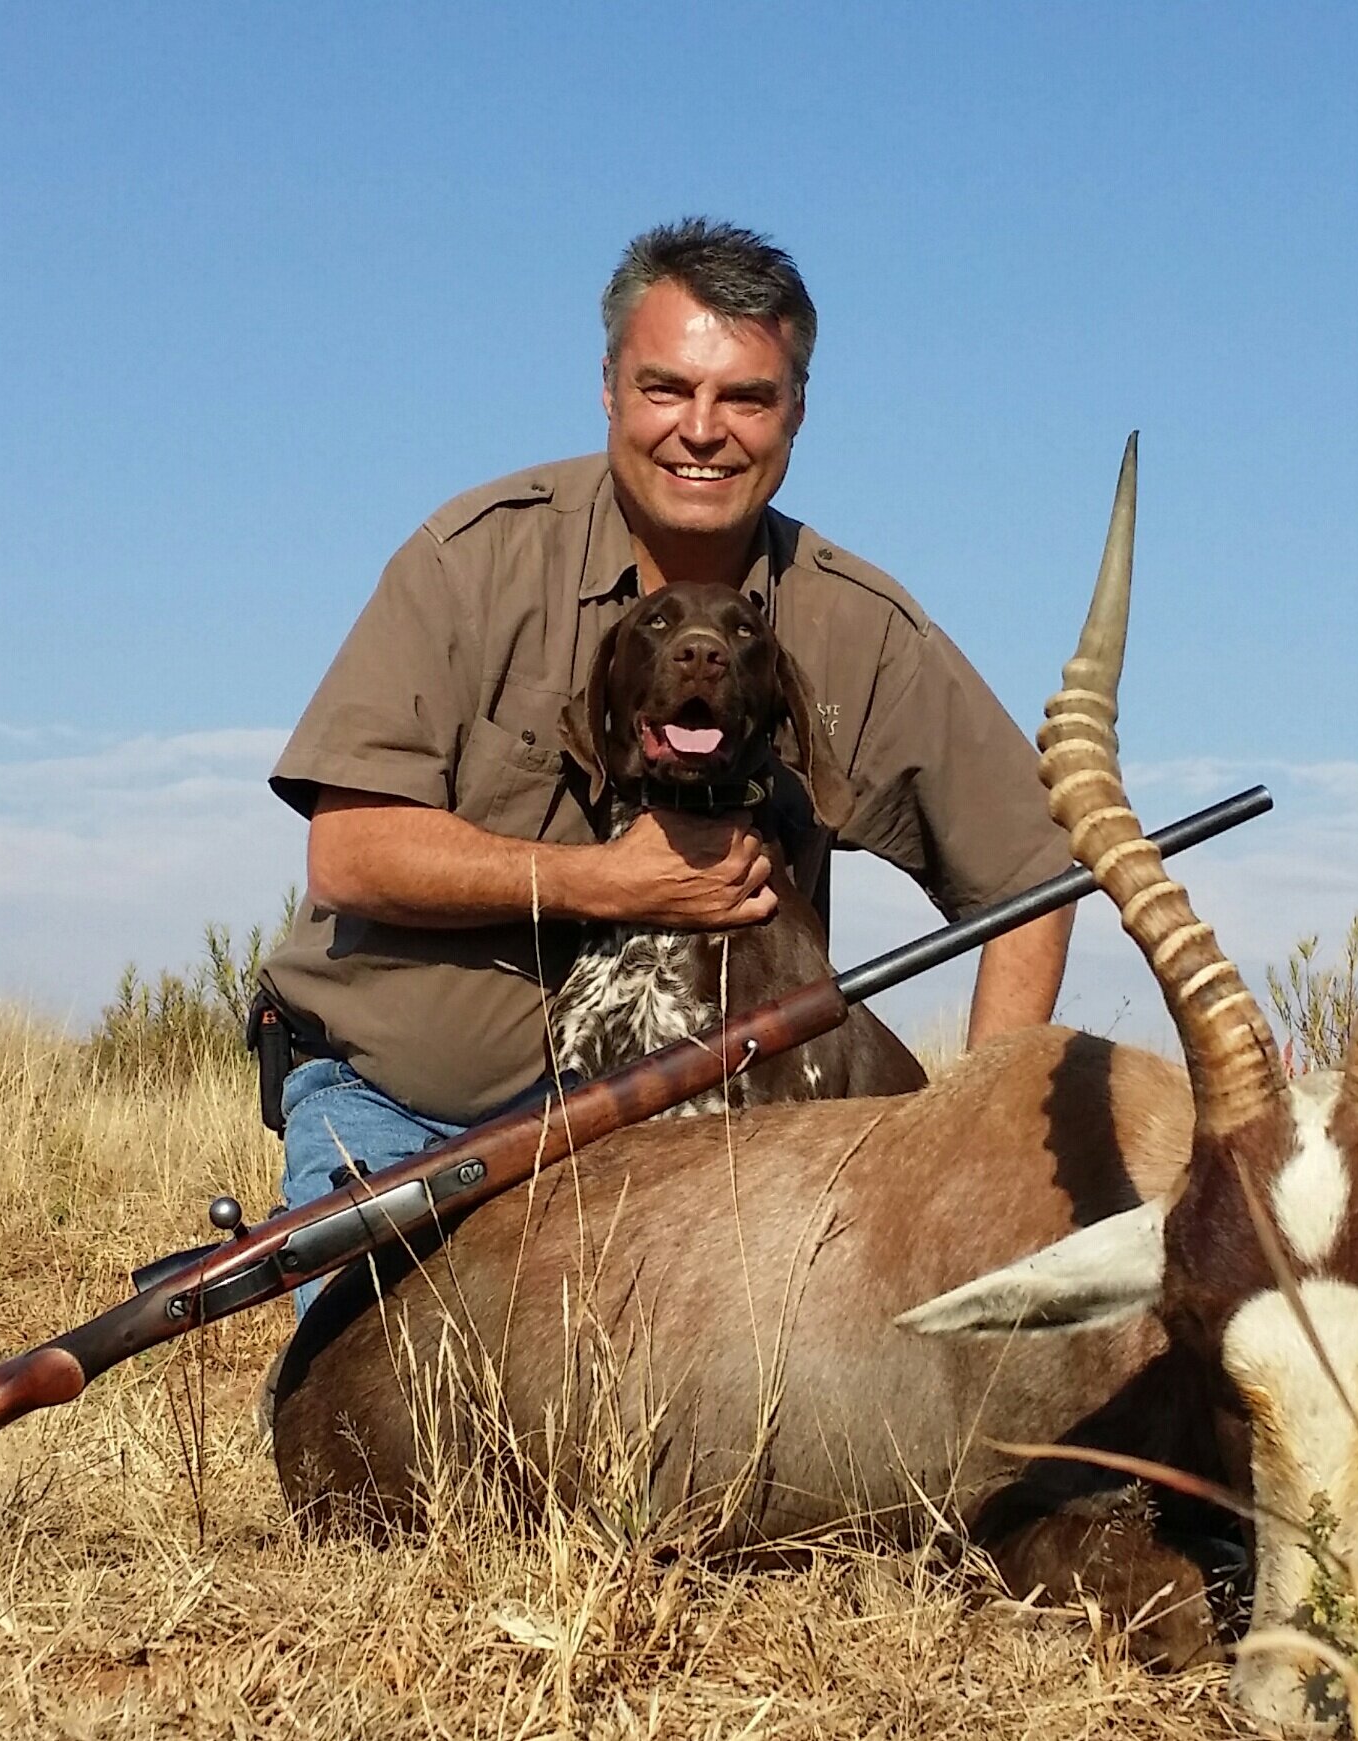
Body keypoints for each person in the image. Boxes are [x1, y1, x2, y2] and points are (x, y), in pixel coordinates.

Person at [256, 219, 1074, 1299]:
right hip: (412, 1110)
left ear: (796, 415)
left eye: (746, 398)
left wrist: (974, 1147)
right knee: (370, 1436)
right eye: (666, 388)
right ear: (608, 390)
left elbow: (1036, 869)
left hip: (718, 1157)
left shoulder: (853, 624)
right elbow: (351, 854)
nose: (703, 430)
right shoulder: (477, 560)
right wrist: (610, 880)